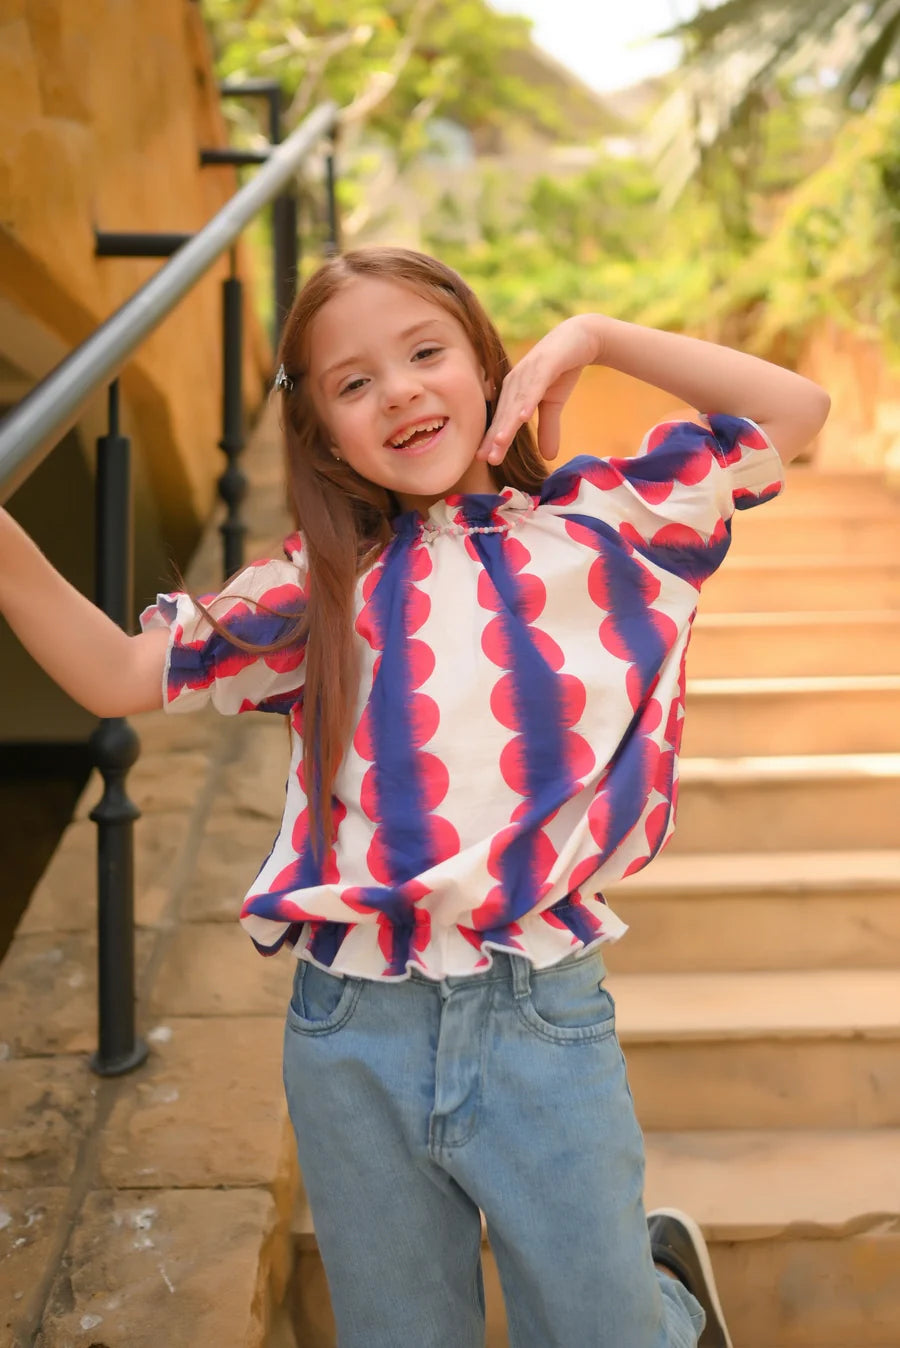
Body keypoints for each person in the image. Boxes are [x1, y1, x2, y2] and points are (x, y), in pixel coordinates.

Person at [0, 247, 830, 1348]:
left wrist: (592, 334)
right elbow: (114, 673)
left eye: (425, 352)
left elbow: (795, 411)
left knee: (600, 1331)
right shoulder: (313, 588)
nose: (396, 390)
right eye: (353, 382)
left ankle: (664, 1299)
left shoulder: (603, 523)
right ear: (322, 436)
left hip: (540, 1010)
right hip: (352, 1030)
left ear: (488, 365)